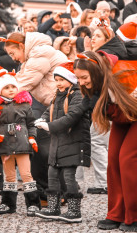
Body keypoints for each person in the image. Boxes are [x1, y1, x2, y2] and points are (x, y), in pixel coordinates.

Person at [73, 51, 137, 231]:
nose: (81, 82)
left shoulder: (121, 75)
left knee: (129, 162)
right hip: (123, 117)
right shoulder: (95, 83)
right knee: (113, 161)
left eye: (84, 77)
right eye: (78, 78)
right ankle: (117, 213)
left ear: (94, 71)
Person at [2, 31, 68, 203]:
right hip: (54, 104)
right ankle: (59, 193)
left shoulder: (38, 55)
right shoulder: (36, 54)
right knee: (49, 150)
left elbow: (22, 84)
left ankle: (50, 193)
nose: (13, 58)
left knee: (41, 149)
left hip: (57, 105)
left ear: (22, 46)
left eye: (13, 53)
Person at [35, 62, 90, 223]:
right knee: (52, 174)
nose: (58, 83)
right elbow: (48, 110)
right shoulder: (57, 95)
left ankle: (74, 211)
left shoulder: (77, 95)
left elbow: (71, 117)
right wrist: (43, 119)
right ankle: (53, 208)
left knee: (68, 176)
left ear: (71, 80)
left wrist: (49, 126)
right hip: (57, 142)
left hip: (72, 141)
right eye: (56, 80)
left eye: (62, 80)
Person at [0, 69, 40, 216]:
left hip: (23, 145)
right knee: (9, 176)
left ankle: (33, 204)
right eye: (6, 87)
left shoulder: (24, 105)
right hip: (4, 145)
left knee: (26, 174)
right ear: (0, 90)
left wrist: (32, 137)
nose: (10, 90)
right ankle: (8, 204)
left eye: (13, 87)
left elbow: (31, 124)